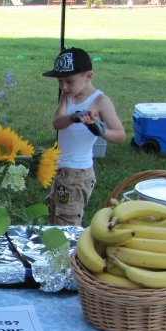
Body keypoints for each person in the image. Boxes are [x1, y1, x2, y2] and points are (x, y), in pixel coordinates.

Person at [43, 47, 125, 226]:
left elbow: (120, 135)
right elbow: (57, 123)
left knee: (67, 222)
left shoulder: (100, 101)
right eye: (60, 81)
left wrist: (100, 130)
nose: (63, 86)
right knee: (54, 215)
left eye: (69, 81)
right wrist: (73, 117)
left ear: (88, 76)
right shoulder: (67, 96)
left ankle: (71, 246)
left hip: (78, 174)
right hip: (61, 169)